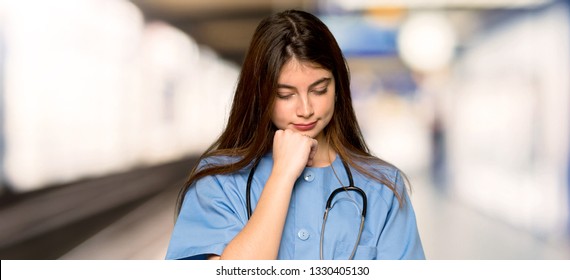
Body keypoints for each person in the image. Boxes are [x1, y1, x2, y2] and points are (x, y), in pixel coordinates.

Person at [165, 9, 425, 260]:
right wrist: (282, 175)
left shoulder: (383, 186)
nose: (305, 110)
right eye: (285, 95)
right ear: (260, 94)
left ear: (338, 88)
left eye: (319, 90)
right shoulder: (218, 181)